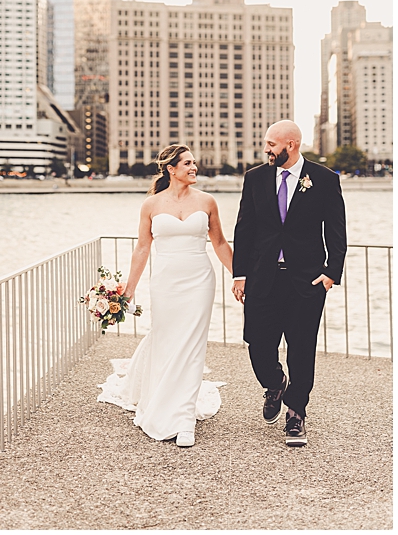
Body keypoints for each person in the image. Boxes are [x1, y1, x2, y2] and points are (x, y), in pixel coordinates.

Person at [98, 145, 233, 447]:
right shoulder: (151, 205)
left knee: (192, 346)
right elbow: (142, 248)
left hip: (200, 279)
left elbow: (221, 243)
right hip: (166, 282)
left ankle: (184, 419)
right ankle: (159, 396)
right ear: (171, 169)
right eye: (187, 163)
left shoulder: (208, 201)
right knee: (166, 339)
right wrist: (128, 290)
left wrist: (240, 277)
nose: (194, 167)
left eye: (194, 163)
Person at [231, 120, 345, 446]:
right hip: (262, 278)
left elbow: (336, 229)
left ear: (290, 145)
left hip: (307, 280)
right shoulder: (255, 177)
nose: (266, 149)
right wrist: (240, 274)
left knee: (302, 348)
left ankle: (296, 414)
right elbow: (244, 228)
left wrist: (331, 272)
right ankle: (275, 382)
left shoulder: (323, 179)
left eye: (271, 144)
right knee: (257, 342)